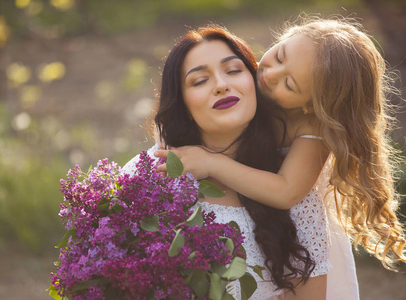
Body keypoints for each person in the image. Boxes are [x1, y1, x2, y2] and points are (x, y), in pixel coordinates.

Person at [154, 16, 406, 299]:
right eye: (280, 55)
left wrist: (212, 163)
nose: (270, 75)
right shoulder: (243, 79)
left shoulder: (310, 130)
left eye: (289, 84)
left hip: (279, 223)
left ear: (311, 105)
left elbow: (286, 191)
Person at [122, 24, 330, 299]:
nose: (221, 85)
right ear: (182, 102)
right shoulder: (147, 177)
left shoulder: (296, 191)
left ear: (254, 81)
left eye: (233, 71)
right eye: (199, 81)